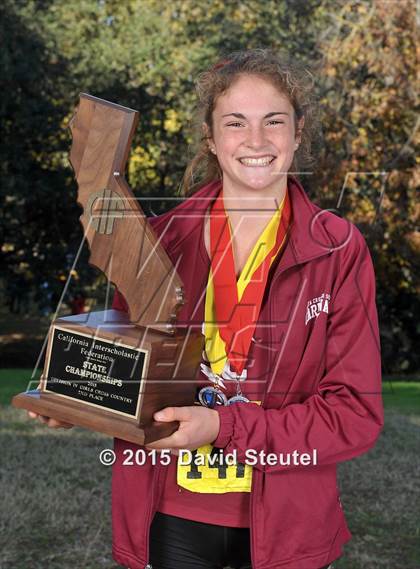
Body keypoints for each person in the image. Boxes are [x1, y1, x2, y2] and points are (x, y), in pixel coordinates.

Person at [29, 49, 384, 569]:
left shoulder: (338, 249)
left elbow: (355, 413)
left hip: (287, 522)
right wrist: (81, 400)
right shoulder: (160, 239)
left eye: (274, 122)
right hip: (168, 514)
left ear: (298, 132)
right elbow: (140, 376)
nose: (257, 141)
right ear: (211, 138)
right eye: (235, 123)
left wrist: (224, 429)